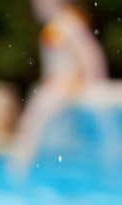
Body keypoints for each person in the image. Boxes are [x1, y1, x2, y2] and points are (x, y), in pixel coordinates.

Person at [8, 0, 110, 177]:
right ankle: (21, 171)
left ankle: (18, 173)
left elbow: (90, 55)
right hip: (56, 86)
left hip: (62, 87)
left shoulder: (68, 23)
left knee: (30, 128)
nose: (36, 6)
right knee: (33, 129)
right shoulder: (59, 24)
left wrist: (90, 83)